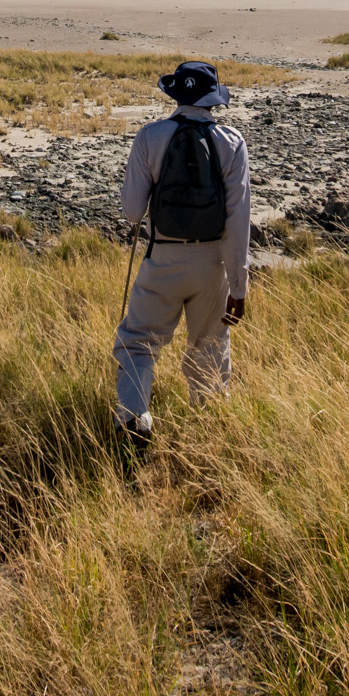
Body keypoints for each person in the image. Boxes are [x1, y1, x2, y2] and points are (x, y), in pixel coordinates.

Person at [112, 60, 251, 441]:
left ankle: (134, 419)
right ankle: (208, 437)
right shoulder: (232, 142)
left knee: (138, 342)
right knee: (210, 347)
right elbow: (239, 222)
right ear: (212, 100)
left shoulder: (150, 136)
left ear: (175, 95)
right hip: (213, 266)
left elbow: (132, 211)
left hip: (162, 259)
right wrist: (239, 288)